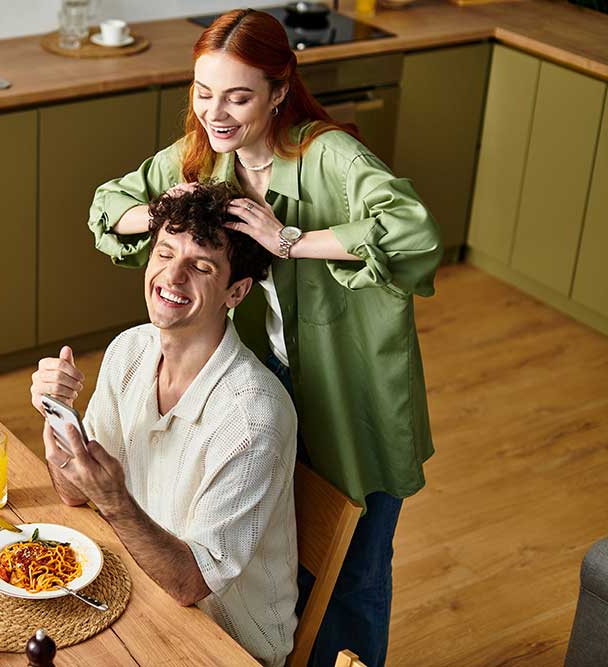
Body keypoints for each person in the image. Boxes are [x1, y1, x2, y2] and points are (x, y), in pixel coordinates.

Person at [85, 9, 442, 667]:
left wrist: (291, 240)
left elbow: (414, 232)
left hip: (352, 396)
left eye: (238, 96)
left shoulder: (328, 155)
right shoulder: (200, 154)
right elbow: (107, 207)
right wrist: (163, 208)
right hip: (268, 384)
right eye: (203, 91)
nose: (215, 113)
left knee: (353, 576)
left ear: (279, 91)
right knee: (280, 554)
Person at [30, 183, 299, 667]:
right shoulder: (131, 350)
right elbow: (75, 495)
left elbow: (191, 584)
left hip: (224, 642)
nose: (171, 277)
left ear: (236, 291)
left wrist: (111, 497)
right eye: (165, 252)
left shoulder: (252, 417)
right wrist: (57, 428)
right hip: (134, 586)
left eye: (201, 266)